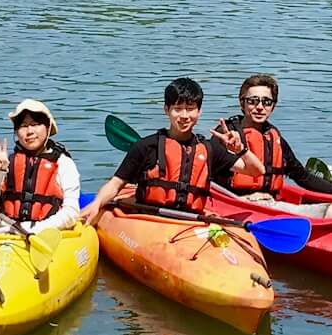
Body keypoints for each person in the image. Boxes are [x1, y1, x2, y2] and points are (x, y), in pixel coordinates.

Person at [80, 78, 261, 226]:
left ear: (199, 112)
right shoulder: (146, 146)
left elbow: (256, 172)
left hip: (191, 223)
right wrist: (96, 204)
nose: (184, 116)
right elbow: (116, 184)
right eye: (177, 109)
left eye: (190, 109)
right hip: (150, 219)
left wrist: (241, 150)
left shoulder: (209, 149)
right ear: (166, 110)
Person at [220, 73, 332, 203]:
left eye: (266, 102)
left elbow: (303, 177)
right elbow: (206, 176)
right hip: (234, 204)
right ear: (242, 103)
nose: (259, 107)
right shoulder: (226, 134)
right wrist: (242, 199)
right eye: (252, 101)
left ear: (273, 106)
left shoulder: (275, 138)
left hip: (270, 204)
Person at [0, 99, 82, 234]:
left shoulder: (64, 164)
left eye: (35, 124)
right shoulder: (7, 162)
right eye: (23, 126)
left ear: (48, 127)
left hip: (47, 236)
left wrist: (35, 230)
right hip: (5, 234)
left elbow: (71, 211)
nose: (29, 131)